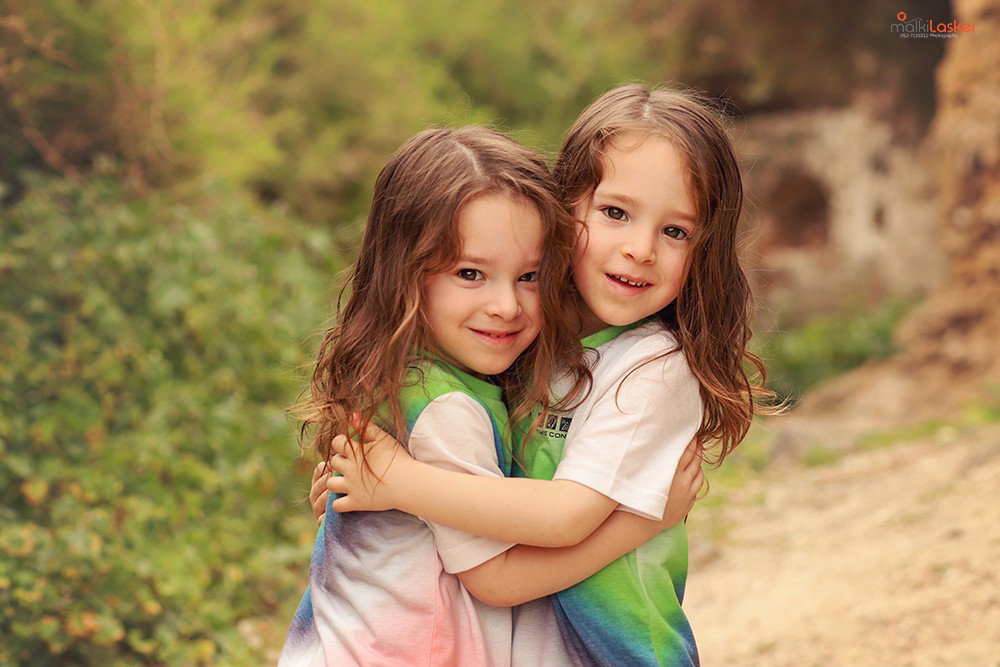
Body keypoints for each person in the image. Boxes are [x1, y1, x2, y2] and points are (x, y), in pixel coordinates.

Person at [319, 85, 774, 666]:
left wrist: (399, 483)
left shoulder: (654, 370)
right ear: (565, 210)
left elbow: (563, 516)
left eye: (676, 231)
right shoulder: (527, 340)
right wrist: (354, 488)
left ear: (704, 250)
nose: (640, 249)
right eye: (615, 213)